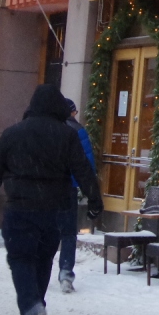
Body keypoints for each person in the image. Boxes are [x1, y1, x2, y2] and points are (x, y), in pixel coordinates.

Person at [0, 84, 102, 315]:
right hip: (54, 209)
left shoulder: (14, 133)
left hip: (21, 207)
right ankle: (38, 302)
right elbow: (83, 169)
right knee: (44, 257)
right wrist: (94, 200)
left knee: (21, 258)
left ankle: (30, 307)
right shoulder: (67, 135)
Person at [56, 99, 95, 294]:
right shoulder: (78, 131)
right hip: (68, 188)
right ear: (72, 112)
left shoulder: (47, 128)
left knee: (44, 231)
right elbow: (87, 164)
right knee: (68, 233)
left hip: (44, 188)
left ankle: (37, 271)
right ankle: (65, 273)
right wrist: (90, 190)